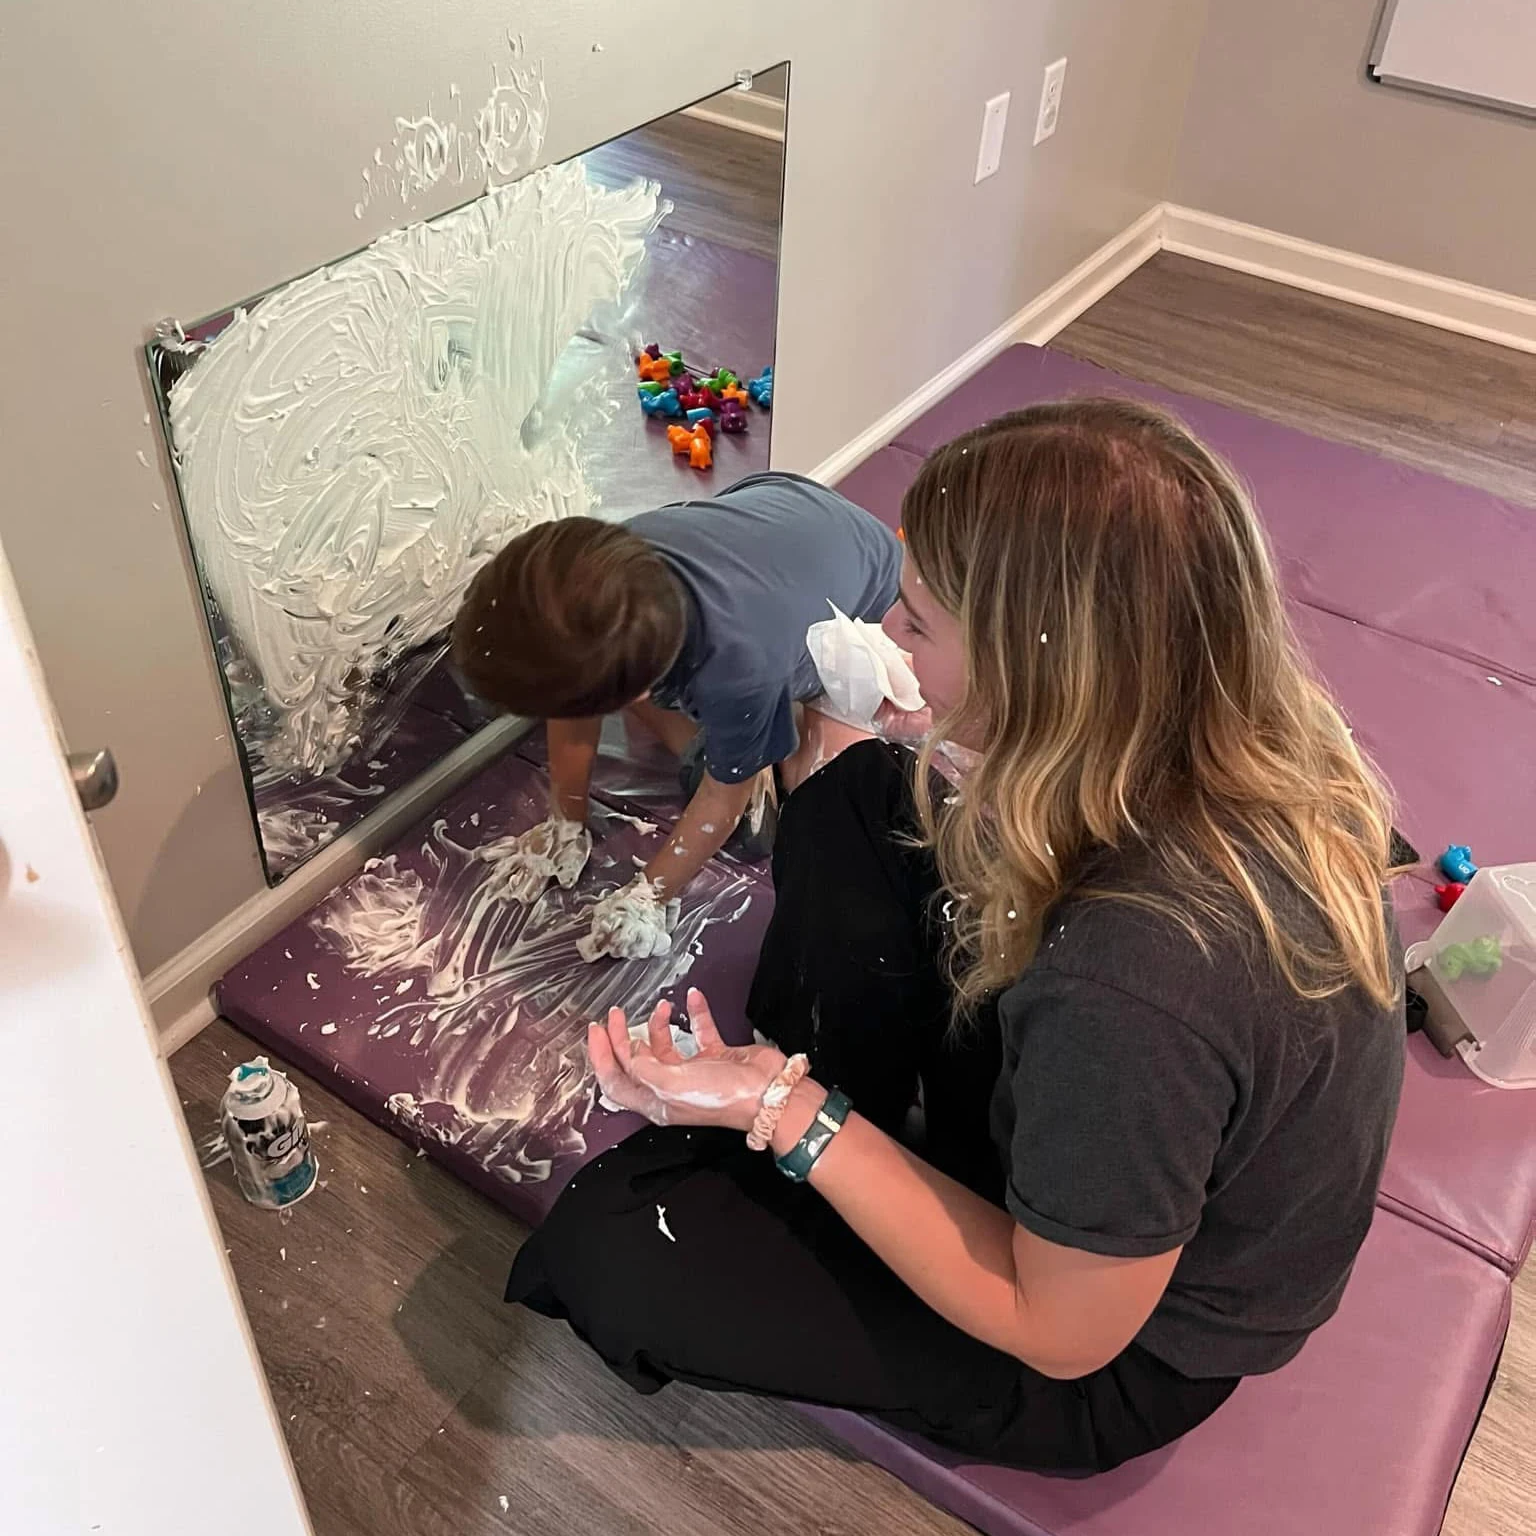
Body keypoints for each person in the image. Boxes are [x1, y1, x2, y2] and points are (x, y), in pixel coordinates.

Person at [505, 400, 1407, 1473]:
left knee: (615, 1246)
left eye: (917, 623)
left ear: (1047, 676)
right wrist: (952, 734)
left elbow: (1065, 1330)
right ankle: (856, 1118)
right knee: (855, 799)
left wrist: (781, 1107)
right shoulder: (1234, 723)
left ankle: (837, 1127)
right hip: (1117, 1139)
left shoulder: (1138, 987)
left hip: (1116, 1342)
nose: (886, 634)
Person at [450, 471, 901, 959]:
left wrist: (650, 893)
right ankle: (738, 741)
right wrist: (566, 819)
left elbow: (722, 802)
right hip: (782, 513)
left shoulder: (737, 670)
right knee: (617, 685)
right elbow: (575, 709)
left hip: (863, 606)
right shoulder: (611, 571)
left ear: (642, 689)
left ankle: (756, 746)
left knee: (765, 826)